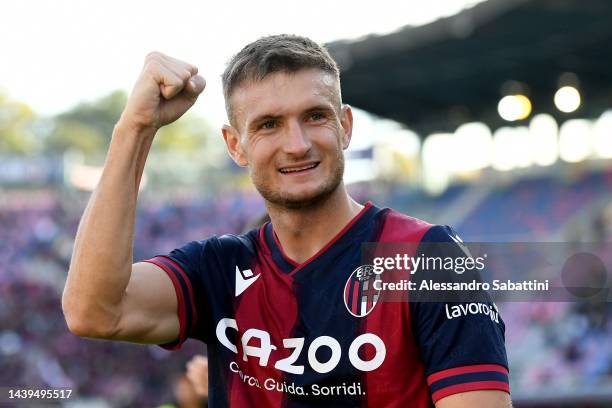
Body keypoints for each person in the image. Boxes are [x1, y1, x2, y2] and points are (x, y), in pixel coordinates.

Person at [62, 35, 512, 407]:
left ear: (346, 126)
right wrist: (134, 128)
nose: (296, 144)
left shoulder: (427, 259)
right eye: (269, 125)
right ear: (235, 145)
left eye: (314, 117)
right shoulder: (219, 268)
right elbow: (94, 311)